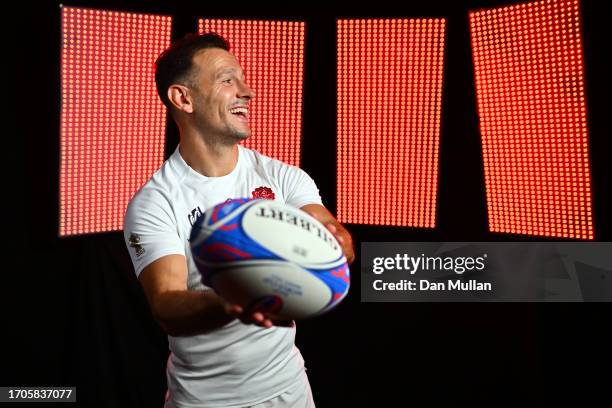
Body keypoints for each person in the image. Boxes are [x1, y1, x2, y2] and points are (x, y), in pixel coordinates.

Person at [123, 33, 355, 408]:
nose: (246, 91)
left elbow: (335, 238)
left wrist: (335, 245)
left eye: (243, 79)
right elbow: (166, 304)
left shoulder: (282, 177)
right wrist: (232, 298)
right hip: (202, 401)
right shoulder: (155, 201)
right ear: (183, 98)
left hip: (289, 391)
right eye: (227, 79)